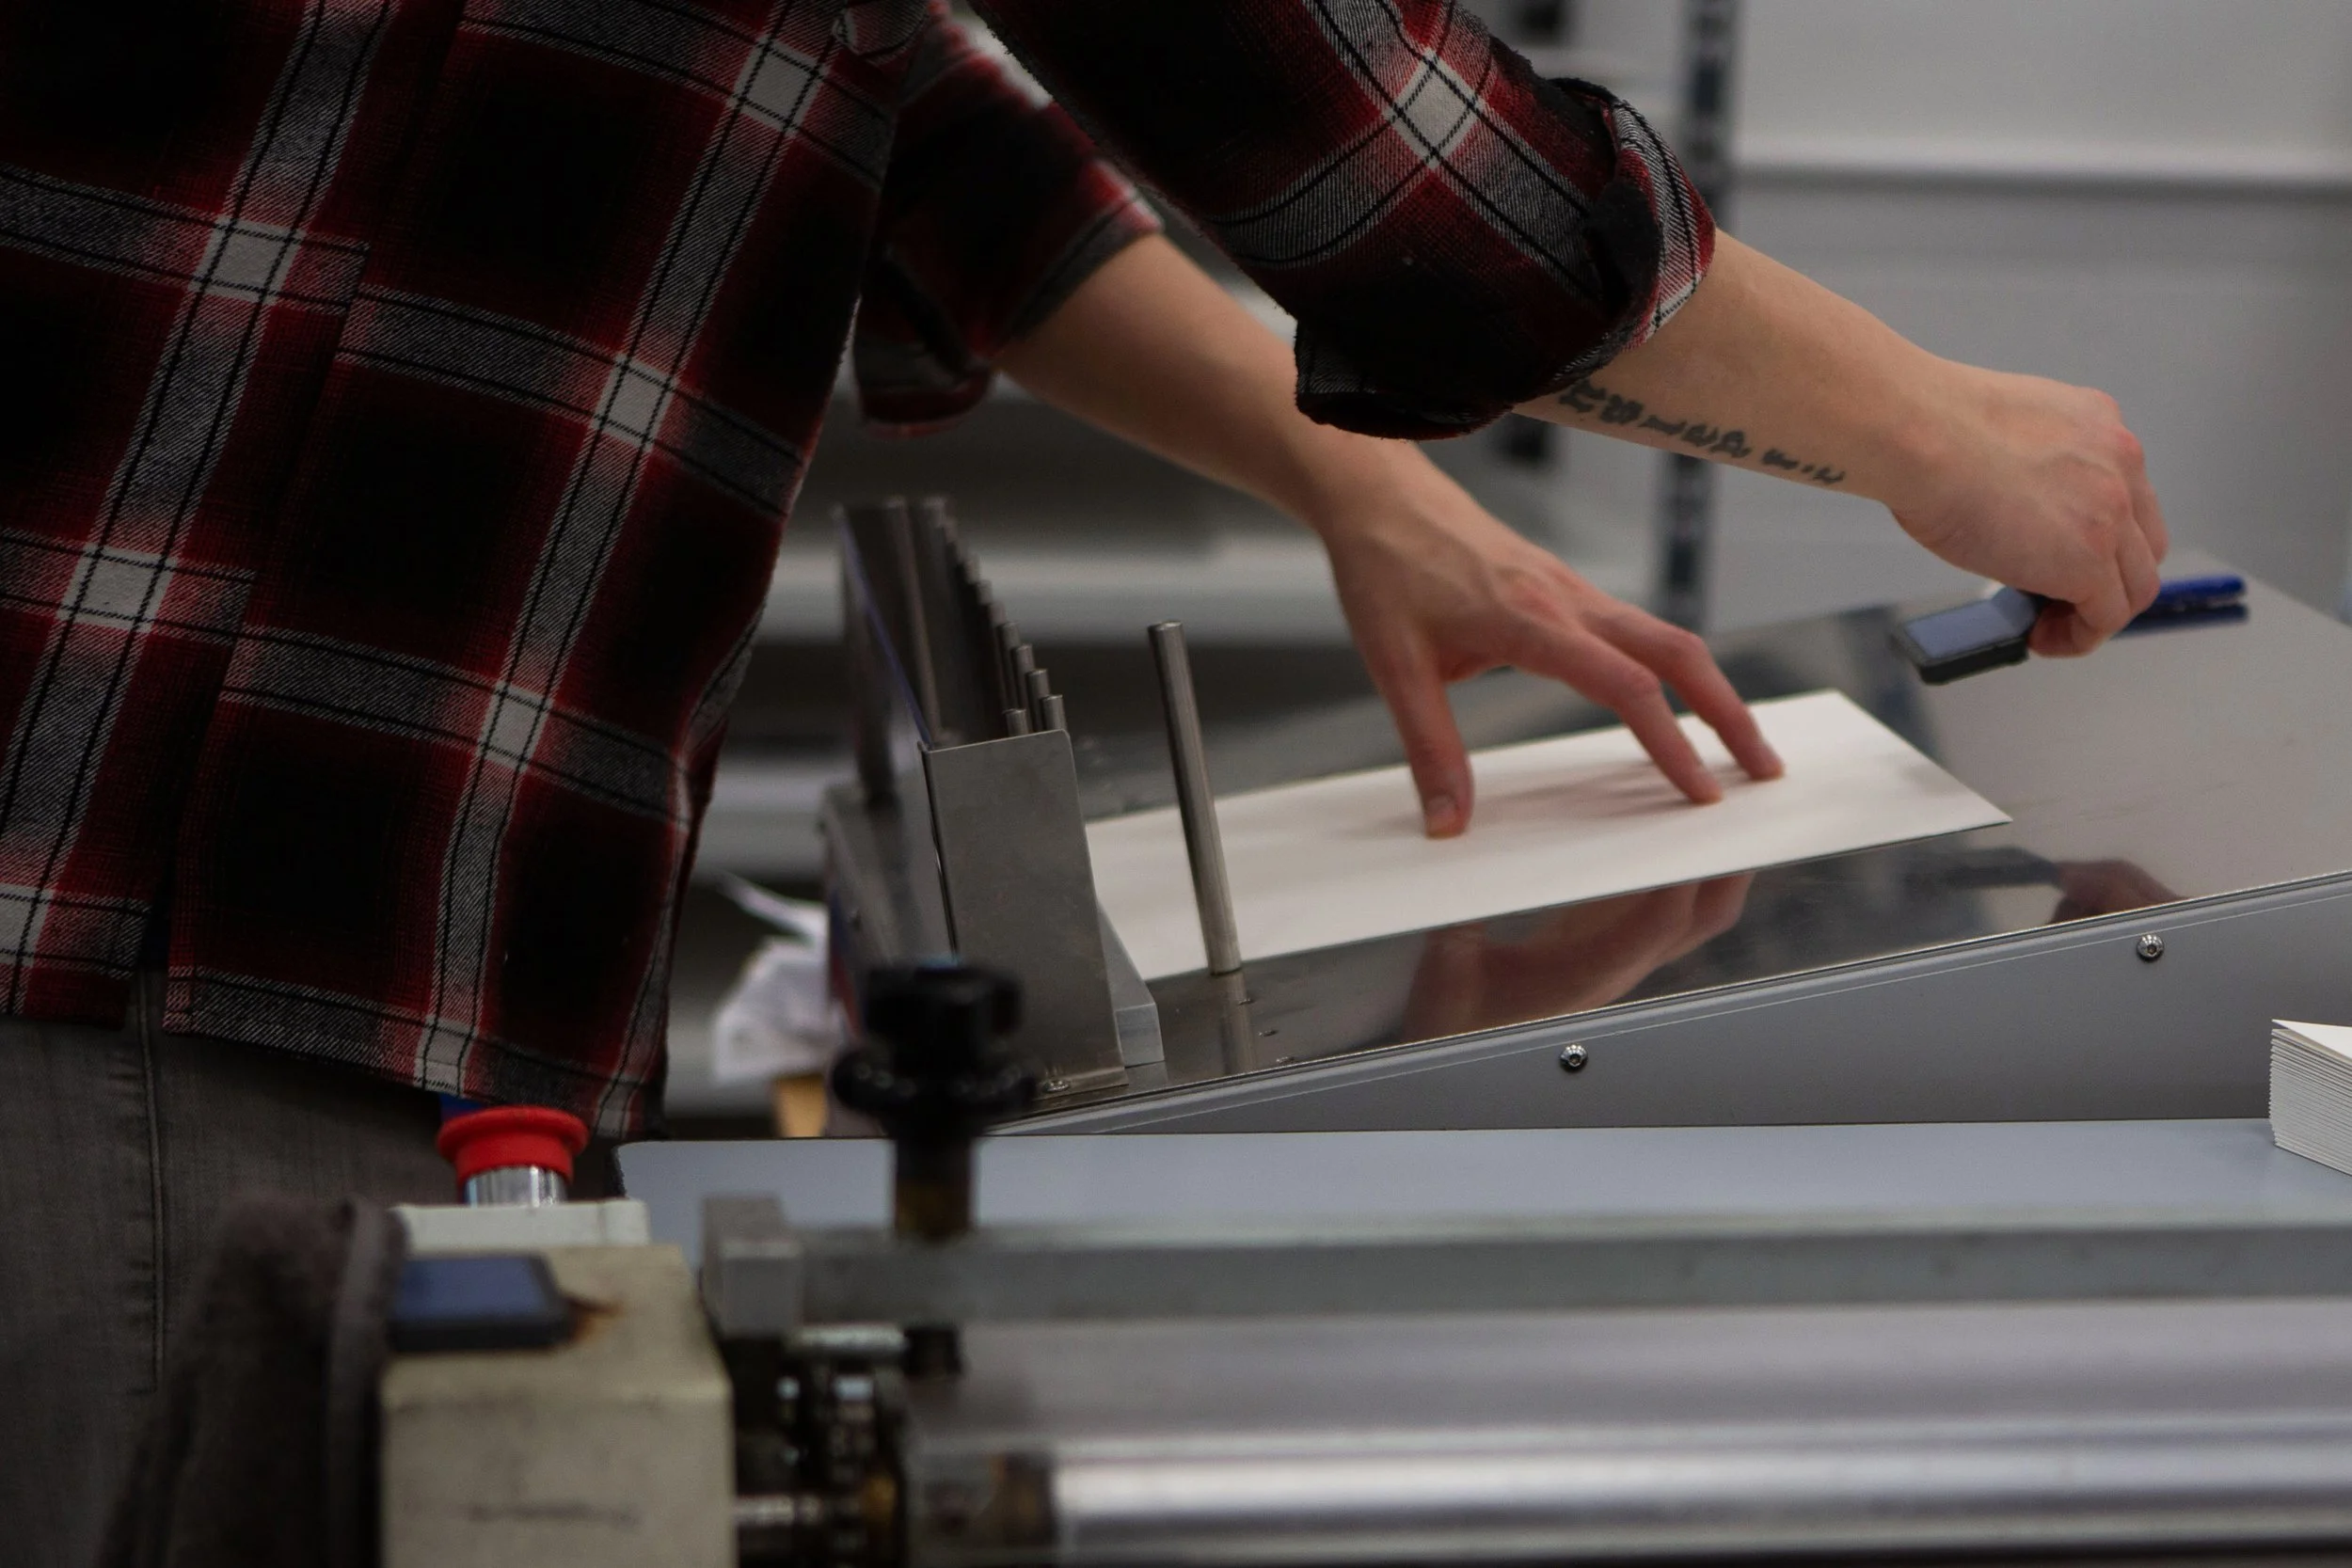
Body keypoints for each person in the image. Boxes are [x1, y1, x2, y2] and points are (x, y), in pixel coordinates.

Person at [0, 2, 2162, 1560]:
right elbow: (1398, 170)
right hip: (144, 934)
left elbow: (929, 132)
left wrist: (1369, 491)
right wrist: (1936, 430)